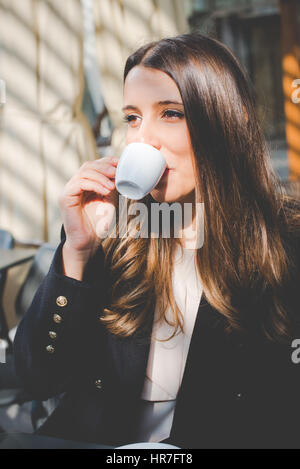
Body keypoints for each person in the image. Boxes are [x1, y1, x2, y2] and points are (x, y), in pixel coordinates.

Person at [13, 32, 300, 449]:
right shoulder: (114, 235)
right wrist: (77, 252)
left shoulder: (284, 243)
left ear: (227, 119)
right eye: (132, 118)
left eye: (170, 113)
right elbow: (37, 378)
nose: (142, 138)